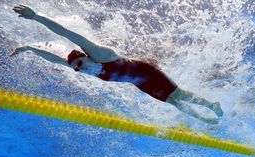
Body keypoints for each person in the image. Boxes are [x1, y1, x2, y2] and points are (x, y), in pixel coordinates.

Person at [11, 5, 223, 124]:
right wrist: (30, 49)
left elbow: (67, 33)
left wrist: (37, 17)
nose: (79, 68)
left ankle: (212, 106)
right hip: (141, 84)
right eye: (76, 67)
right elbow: (54, 59)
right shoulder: (87, 69)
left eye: (80, 63)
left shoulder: (101, 55)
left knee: (181, 95)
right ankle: (205, 118)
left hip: (150, 73)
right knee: (174, 103)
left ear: (87, 56)